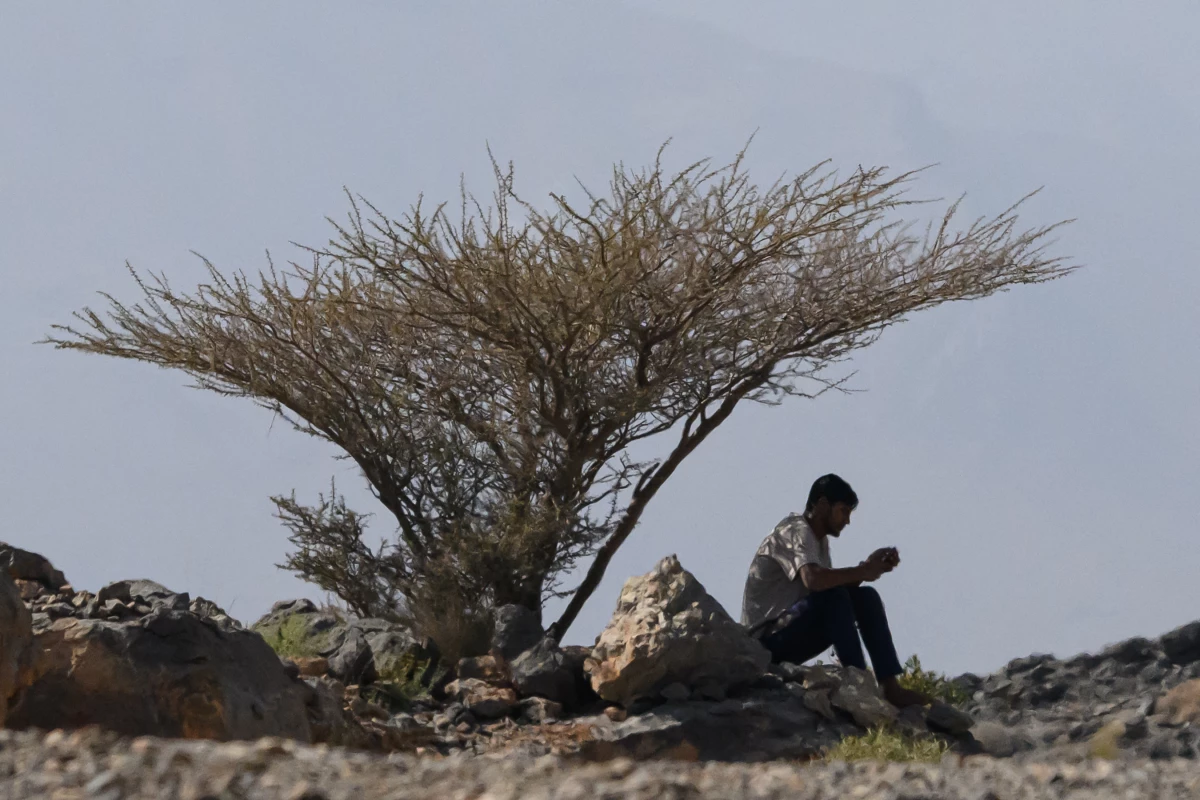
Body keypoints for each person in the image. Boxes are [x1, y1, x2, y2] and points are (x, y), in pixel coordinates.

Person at [741, 473, 932, 708]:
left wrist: (869, 568)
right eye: (843, 511)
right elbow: (814, 582)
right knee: (835, 597)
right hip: (766, 644)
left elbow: (828, 589)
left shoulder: (818, 541)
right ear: (822, 505)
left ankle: (890, 687)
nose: (847, 520)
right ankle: (859, 686)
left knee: (866, 598)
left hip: (792, 630)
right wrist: (863, 571)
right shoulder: (794, 530)